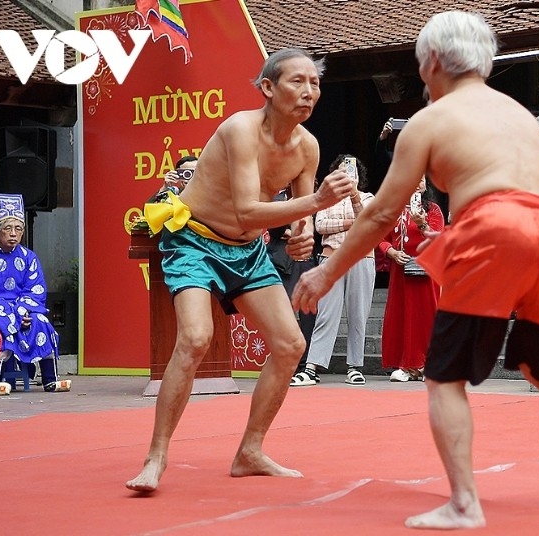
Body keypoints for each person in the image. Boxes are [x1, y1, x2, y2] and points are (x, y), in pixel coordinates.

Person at [292, 11, 539, 529]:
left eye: (422, 66)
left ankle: (464, 502)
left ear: (434, 61)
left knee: (443, 377)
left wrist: (324, 273)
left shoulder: (429, 121)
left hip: (494, 228)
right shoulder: (519, 114)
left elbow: (378, 214)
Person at [125, 48, 355, 493]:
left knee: (290, 345)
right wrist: (317, 204)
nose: (309, 92)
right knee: (194, 338)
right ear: (268, 88)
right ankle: (156, 455)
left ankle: (250, 451)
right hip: (195, 239)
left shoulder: (307, 146)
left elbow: (297, 218)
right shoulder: (239, 130)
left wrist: (302, 234)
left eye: (315, 83)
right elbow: (250, 210)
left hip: (247, 251)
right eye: (297, 82)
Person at [0, 194, 69, 395]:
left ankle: (50, 379)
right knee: (3, 325)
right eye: (7, 228)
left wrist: (22, 312)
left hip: (23, 310)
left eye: (18, 229)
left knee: (41, 321)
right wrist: (12, 315)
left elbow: (35, 290)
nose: (13, 234)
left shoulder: (29, 258)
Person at [289, 155, 376, 386]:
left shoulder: (367, 197)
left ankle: (355, 367)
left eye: (351, 170)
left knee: (358, 314)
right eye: (341, 170)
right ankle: (312, 367)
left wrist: (354, 193)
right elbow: (320, 226)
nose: (346, 174)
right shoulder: (327, 201)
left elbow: (368, 222)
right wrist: (350, 224)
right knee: (326, 313)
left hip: (361, 258)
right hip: (330, 258)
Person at [378, 176, 444, 382]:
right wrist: (391, 253)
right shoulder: (393, 209)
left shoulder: (433, 210)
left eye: (422, 179)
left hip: (426, 271)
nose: (418, 183)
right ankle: (406, 365)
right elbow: (379, 237)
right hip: (401, 270)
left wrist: (422, 224)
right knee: (402, 316)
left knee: (425, 316)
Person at [265, 188, 318, 374]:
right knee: (283, 313)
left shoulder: (315, 200)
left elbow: (317, 229)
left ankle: (305, 365)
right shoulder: (276, 199)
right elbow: (273, 228)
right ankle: (285, 362)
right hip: (283, 263)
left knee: (309, 316)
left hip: (309, 262)